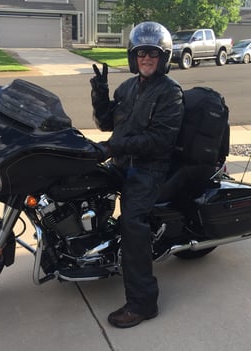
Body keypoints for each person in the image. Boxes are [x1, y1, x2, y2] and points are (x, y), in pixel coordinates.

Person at [90, 22, 184, 328]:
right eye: (142, 52)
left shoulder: (171, 93)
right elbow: (107, 124)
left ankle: (143, 304)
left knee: (132, 224)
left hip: (149, 169)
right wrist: (100, 95)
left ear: (164, 57)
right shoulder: (127, 87)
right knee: (79, 184)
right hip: (121, 162)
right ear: (133, 56)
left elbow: (159, 141)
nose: (146, 58)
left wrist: (112, 146)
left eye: (153, 54)